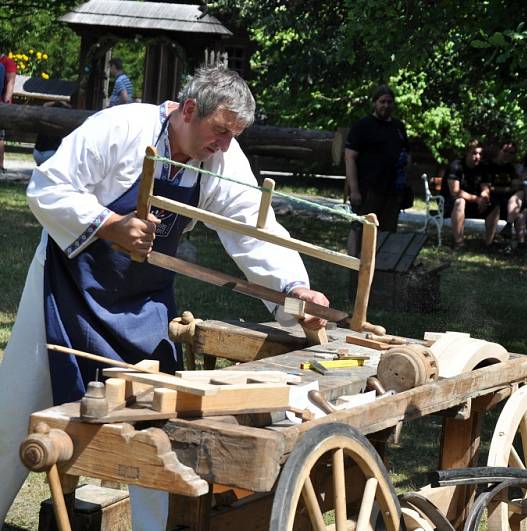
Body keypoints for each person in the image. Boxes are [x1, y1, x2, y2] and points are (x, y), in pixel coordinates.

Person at [0, 65, 329, 528]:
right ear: (189, 109)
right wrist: (111, 226)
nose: (225, 144)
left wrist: (293, 289)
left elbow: (254, 232)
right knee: (19, 406)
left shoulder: (221, 160)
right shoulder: (120, 128)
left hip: (143, 303)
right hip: (68, 286)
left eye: (234, 134)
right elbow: (47, 187)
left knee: (156, 427)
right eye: (220, 130)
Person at [345, 85, 410, 237]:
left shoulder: (398, 127)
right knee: (359, 229)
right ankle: (353, 260)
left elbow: (406, 154)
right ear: (374, 103)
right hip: (367, 189)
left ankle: (378, 261)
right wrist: (354, 190)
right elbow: (349, 158)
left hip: (392, 191)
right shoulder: (362, 126)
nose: (386, 105)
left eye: (389, 102)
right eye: (382, 101)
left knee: (386, 231)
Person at [441, 139, 496, 249]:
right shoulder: (456, 166)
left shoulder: (482, 167)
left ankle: (488, 244)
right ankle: (459, 242)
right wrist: (477, 199)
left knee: (495, 205)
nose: (478, 157)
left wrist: (484, 197)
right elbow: (455, 192)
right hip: (449, 204)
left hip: (472, 204)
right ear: (467, 152)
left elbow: (485, 187)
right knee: (460, 202)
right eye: (474, 153)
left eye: (480, 154)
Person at [482, 140, 519, 248]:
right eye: (506, 151)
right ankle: (488, 243)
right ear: (499, 150)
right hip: (491, 200)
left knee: (522, 209)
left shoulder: (510, 168)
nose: (508, 154)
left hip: (507, 202)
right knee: (495, 206)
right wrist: (507, 190)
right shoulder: (488, 165)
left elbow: (515, 186)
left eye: (511, 153)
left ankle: (517, 244)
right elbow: (488, 187)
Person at [33, 100, 70, 165]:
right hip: (51, 154)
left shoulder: (44, 119)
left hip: (37, 153)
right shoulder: (62, 123)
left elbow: (45, 105)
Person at [0, 48, 17, 172]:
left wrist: (6, 103)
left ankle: (0, 164)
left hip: (2, 104)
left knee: (0, 138)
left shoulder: (7, 62)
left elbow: (10, 83)